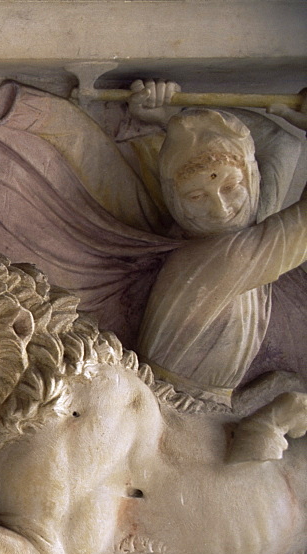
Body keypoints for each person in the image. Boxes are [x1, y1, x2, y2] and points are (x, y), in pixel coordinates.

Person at [129, 80, 307, 406]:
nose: (220, 209)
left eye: (230, 187)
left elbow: (282, 146)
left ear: (251, 180)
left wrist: (180, 116)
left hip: (203, 405)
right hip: (175, 407)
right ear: (175, 200)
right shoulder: (219, 256)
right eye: (196, 196)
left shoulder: (241, 228)